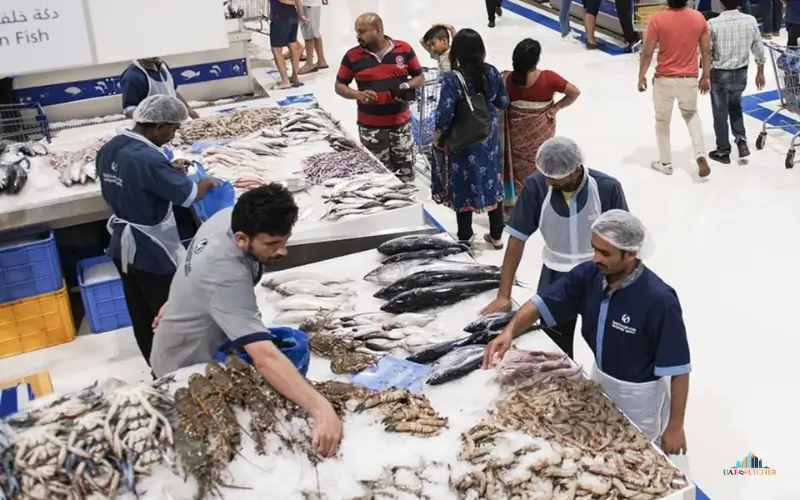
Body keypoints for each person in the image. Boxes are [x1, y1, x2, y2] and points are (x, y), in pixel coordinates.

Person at [150, 184, 343, 458]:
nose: (282, 251)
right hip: (185, 366)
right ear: (241, 239)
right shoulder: (225, 274)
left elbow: (191, 263)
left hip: (209, 335)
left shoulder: (228, 216)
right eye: (272, 244)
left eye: (285, 240)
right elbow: (264, 357)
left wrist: (181, 299)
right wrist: (322, 410)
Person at [483, 210, 690, 454]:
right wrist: (509, 331)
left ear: (631, 254)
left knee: (636, 451)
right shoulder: (589, 276)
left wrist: (676, 426)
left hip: (639, 396)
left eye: (605, 253)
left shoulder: (659, 300)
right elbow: (543, 302)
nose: (595, 258)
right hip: (600, 378)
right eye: (594, 249)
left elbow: (679, 369)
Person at [97, 95, 218, 367]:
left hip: (121, 247)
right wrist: (208, 183)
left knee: (140, 313)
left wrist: (166, 170)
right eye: (173, 129)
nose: (173, 135)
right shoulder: (148, 159)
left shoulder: (113, 146)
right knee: (168, 314)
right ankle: (179, 371)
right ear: (160, 125)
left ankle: (156, 369)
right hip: (151, 251)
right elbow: (189, 196)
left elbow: (132, 182)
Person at [481, 137, 628, 358]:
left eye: (555, 178)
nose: (548, 182)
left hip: (599, 276)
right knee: (554, 346)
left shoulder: (607, 188)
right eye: (547, 176)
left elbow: (625, 244)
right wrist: (504, 294)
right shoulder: (536, 186)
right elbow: (516, 240)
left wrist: (624, 288)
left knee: (607, 344)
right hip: (555, 275)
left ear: (575, 172)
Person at [432, 29, 509, 247]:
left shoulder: (452, 79)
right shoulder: (492, 72)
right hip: (488, 137)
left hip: (462, 140)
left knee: (463, 185)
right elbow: (503, 101)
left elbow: (444, 114)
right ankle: (496, 236)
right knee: (492, 181)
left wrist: (438, 136)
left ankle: (465, 238)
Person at [335, 13, 425, 183]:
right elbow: (339, 86)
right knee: (379, 177)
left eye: (362, 32)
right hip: (371, 129)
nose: (358, 36)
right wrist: (357, 94)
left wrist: (405, 86)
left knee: (406, 174)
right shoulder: (352, 56)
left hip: (401, 125)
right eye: (357, 31)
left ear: (378, 31)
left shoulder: (403, 49)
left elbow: (419, 77)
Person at [501, 39, 580, 213]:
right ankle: (540, 200)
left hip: (515, 135)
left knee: (516, 166)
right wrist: (556, 108)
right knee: (539, 162)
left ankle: (515, 203)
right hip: (540, 132)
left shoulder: (506, 80)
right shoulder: (548, 78)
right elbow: (574, 92)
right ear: (536, 60)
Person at [638, 0, 711, 178]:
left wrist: (641, 75)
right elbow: (706, 50)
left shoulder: (657, 19)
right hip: (689, 78)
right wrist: (706, 75)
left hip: (664, 79)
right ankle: (700, 154)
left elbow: (647, 52)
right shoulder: (698, 18)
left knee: (662, 120)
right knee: (691, 114)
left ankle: (665, 162)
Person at [708, 0, 766, 164]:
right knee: (735, 106)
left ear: (720, 3)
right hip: (741, 73)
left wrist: (705, 74)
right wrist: (760, 72)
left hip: (720, 74)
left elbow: (708, 51)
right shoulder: (751, 20)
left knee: (720, 113)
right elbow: (759, 48)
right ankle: (741, 141)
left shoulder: (713, 23)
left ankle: (723, 150)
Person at [120, 58, 199, 119]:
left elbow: (173, 92)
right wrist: (150, 120)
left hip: (172, 124)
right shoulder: (132, 76)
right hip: (152, 130)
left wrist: (188, 109)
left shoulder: (163, 66)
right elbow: (128, 109)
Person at [269, 0, 308, 90]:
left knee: (276, 50)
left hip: (280, 16)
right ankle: (295, 76)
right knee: (293, 45)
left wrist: (292, 2)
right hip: (293, 15)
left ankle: (285, 81)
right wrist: (301, 13)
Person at [297, 0, 329, 75]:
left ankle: (309, 63)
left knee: (308, 33)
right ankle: (321, 60)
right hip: (314, 4)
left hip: (307, 4)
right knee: (315, 31)